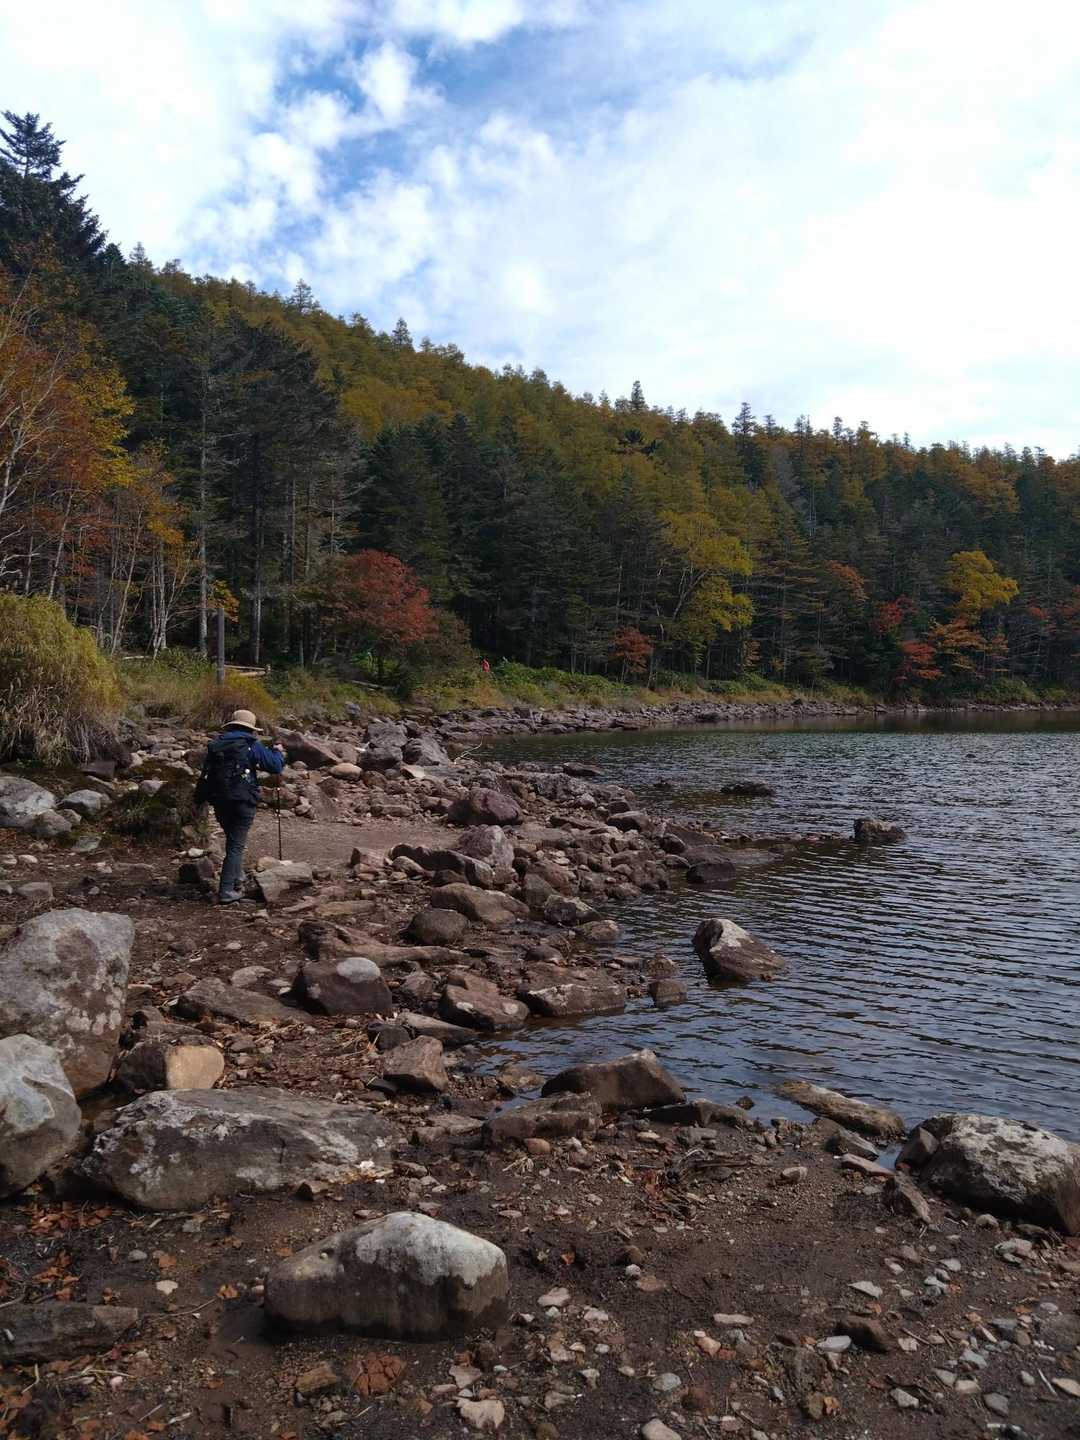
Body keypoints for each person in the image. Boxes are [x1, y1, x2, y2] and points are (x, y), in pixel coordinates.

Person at [194, 709, 285, 904]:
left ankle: (237, 877)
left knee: (233, 841)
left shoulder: (216, 745)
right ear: (250, 729)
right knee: (235, 845)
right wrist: (277, 751)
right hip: (243, 800)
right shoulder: (251, 744)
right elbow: (275, 766)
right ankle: (227, 890)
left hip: (219, 800)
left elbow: (207, 773)